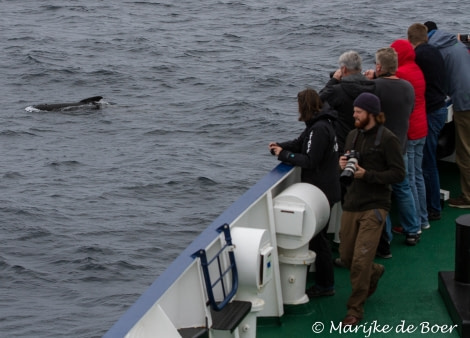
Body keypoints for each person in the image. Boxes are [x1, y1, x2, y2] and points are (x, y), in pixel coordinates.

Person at [338, 92, 405, 326]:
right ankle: (374, 271)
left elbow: (399, 173)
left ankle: (355, 310)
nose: (353, 114)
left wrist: (369, 175)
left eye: (358, 111)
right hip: (352, 203)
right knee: (346, 258)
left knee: (359, 262)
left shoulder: (388, 139)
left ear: (372, 114)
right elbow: (347, 159)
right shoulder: (352, 136)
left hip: (375, 206)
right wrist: (343, 163)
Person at [269, 88, 341, 297]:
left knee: (319, 240)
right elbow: (301, 144)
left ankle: (326, 285)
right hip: (325, 190)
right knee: (318, 239)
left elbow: (310, 160)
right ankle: (323, 282)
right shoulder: (320, 125)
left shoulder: (319, 129)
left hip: (322, 193)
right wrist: (280, 147)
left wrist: (284, 155)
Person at [365, 47, 420, 249]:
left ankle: (385, 236)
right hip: (401, 146)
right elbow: (411, 111)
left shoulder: (375, 87)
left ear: (379, 66)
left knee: (381, 192)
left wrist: (370, 80)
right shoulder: (408, 87)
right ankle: (412, 230)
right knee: (403, 188)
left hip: (380, 148)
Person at [424, 21, 470, 209]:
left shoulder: (434, 50)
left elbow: (436, 81)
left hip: (464, 103)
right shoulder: (455, 42)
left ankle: (468, 198)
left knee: (465, 152)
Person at [407, 23, 448, 221]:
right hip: (440, 107)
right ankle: (432, 205)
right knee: (428, 161)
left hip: (431, 112)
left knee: (427, 162)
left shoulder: (420, 56)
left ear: (410, 40)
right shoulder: (434, 51)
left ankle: (432, 208)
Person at [390, 39, 429, 232]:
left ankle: (414, 224)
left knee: (409, 179)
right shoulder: (416, 69)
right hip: (422, 126)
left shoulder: (402, 73)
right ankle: (423, 218)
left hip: (410, 131)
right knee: (418, 176)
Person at [319, 50, 376, 154]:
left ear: (344, 69)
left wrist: (334, 80)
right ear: (360, 69)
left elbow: (317, 101)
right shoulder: (372, 86)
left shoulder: (337, 90)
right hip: (367, 143)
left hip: (343, 145)